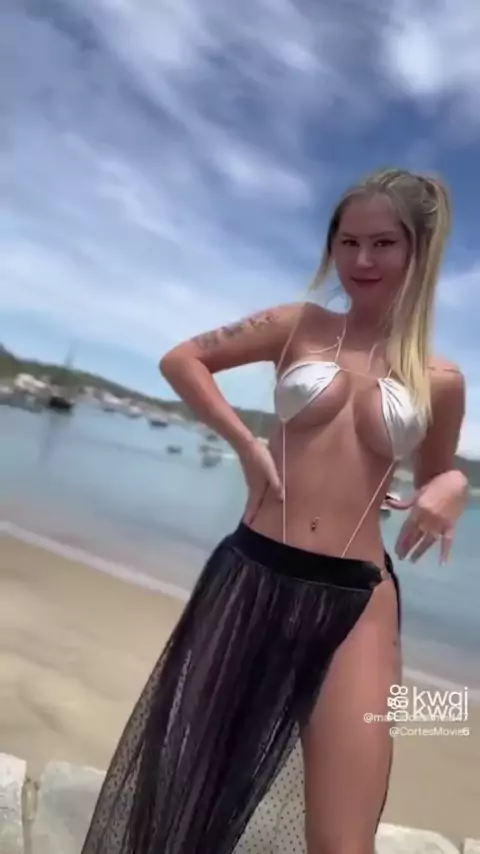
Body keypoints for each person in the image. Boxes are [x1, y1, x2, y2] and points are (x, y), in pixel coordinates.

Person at [80, 168, 469, 854]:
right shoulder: (298, 326)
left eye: (383, 243)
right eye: (347, 242)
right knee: (189, 799)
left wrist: (454, 487)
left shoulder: (439, 380)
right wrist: (245, 443)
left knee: (343, 840)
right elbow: (183, 360)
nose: (362, 260)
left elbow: (437, 474)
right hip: (253, 576)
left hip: (358, 601)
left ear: (419, 252)